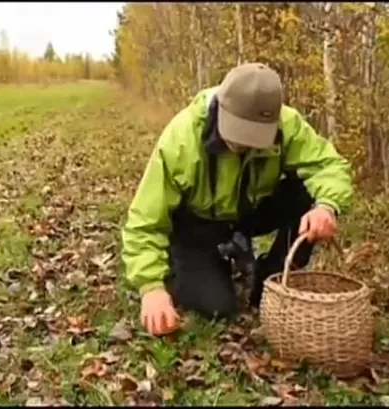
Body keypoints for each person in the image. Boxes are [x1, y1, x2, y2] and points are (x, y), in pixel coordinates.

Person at [121, 62, 353, 336]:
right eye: (238, 133)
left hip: (249, 212)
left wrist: (326, 206)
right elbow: (144, 220)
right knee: (217, 307)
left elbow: (329, 166)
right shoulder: (182, 138)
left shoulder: (287, 125)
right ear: (220, 107)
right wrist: (151, 287)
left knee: (306, 189)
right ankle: (192, 260)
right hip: (198, 224)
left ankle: (273, 276)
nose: (243, 144)